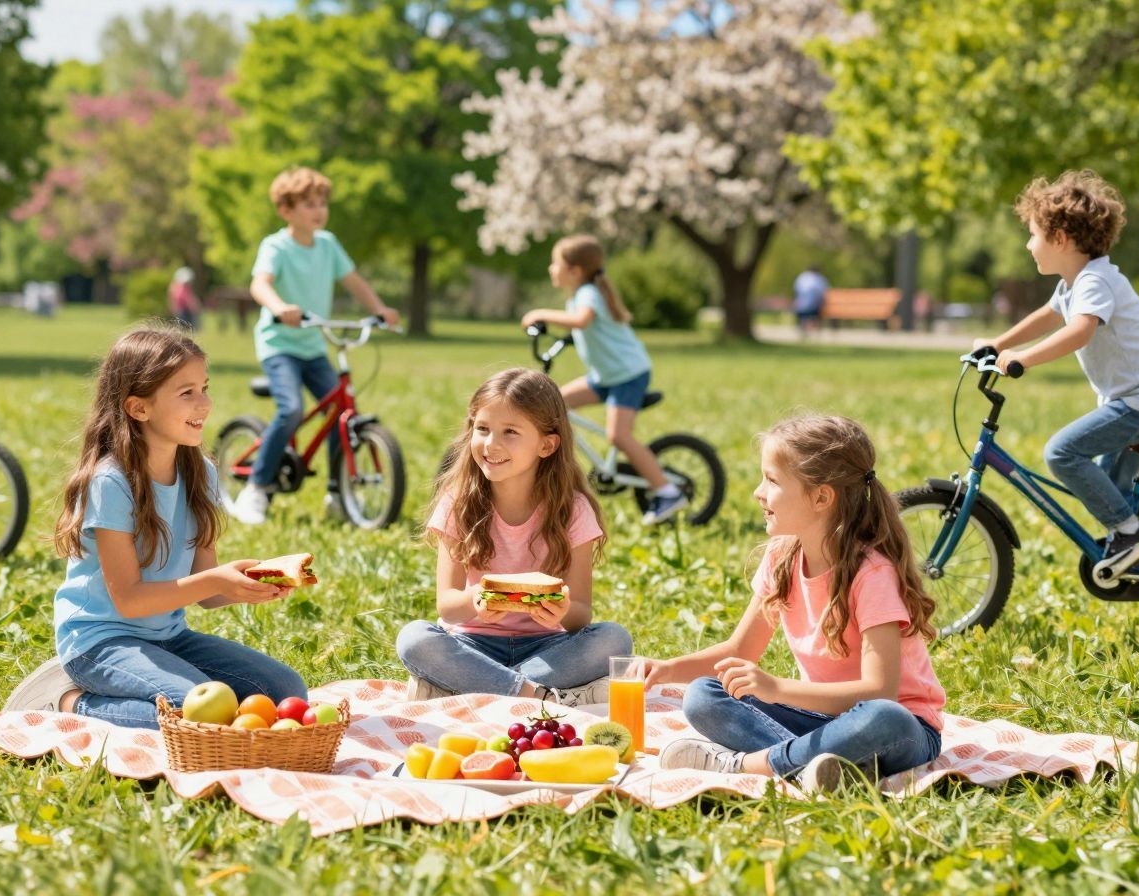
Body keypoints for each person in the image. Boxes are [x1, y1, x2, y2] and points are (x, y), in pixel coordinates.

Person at [1, 326, 307, 728]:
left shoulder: (202, 474)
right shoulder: (111, 482)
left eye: (205, 388)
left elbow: (205, 590)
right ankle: (68, 701)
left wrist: (248, 583)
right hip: (99, 642)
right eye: (187, 393)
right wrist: (216, 580)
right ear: (139, 408)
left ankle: (137, 688)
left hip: (167, 636)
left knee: (288, 690)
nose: (205, 404)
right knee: (201, 715)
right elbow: (129, 600)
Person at [651, 414, 945, 793]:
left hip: (901, 729)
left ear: (821, 496)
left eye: (772, 481)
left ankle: (749, 765)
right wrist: (665, 669)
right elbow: (739, 651)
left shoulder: (872, 574)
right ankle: (829, 766)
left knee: (884, 718)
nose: (759, 492)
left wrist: (776, 689)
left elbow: (879, 692)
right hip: (821, 720)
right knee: (704, 694)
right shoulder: (782, 557)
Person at [974, 170, 1139, 578]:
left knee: (1062, 453)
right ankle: (1135, 551)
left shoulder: (1095, 282)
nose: (1027, 243)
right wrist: (998, 345)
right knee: (1109, 485)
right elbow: (1047, 316)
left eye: (1034, 234)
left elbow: (1079, 329)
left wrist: (1025, 359)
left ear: (1062, 240)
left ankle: (1132, 535)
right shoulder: (1075, 283)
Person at [396, 369, 633, 705]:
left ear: (547, 445)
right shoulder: (458, 501)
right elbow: (447, 607)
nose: (491, 444)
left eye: (510, 432)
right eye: (482, 429)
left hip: (547, 648)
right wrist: (475, 599)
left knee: (614, 639)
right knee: (414, 639)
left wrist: (561, 610)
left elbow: (581, 612)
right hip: (473, 645)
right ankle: (531, 694)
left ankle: (473, 685)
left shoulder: (573, 509)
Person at [228, 166, 398, 525]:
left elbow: (354, 281)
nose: (319, 209)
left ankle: (338, 493)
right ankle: (256, 489)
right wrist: (278, 307)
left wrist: (379, 309)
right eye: (309, 204)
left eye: (322, 202)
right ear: (287, 210)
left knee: (341, 416)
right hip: (279, 344)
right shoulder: (277, 246)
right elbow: (261, 284)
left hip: (312, 345)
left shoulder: (328, 244)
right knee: (290, 411)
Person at [520, 235, 685, 526]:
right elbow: (589, 330)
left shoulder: (587, 294)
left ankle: (667, 491)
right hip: (605, 376)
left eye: (555, 263)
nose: (550, 269)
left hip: (627, 375)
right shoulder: (581, 294)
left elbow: (583, 320)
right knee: (553, 404)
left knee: (618, 436)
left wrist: (539, 313)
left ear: (575, 271)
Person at [793, 265, 829, 337]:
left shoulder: (802, 277)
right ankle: (815, 332)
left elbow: (796, 290)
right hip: (814, 307)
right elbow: (823, 292)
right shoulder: (819, 278)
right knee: (816, 310)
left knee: (803, 312)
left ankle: (802, 330)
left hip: (801, 306)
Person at [168, 266, 201, 330]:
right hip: (181, 311)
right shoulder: (175, 287)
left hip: (186, 311)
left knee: (188, 328)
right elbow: (175, 300)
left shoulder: (184, 288)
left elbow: (190, 299)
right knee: (183, 327)